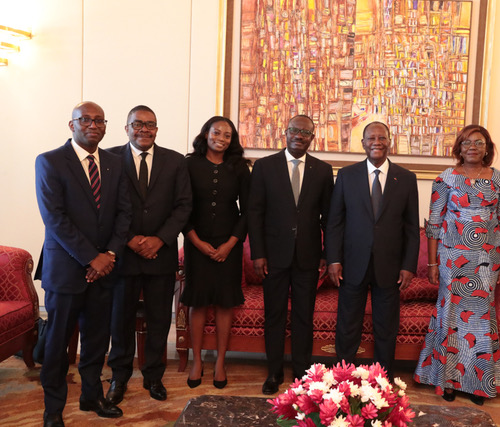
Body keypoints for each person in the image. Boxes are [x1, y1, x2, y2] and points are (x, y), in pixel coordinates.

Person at [35, 102, 131, 427]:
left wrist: (110, 255)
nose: (93, 125)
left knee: (96, 340)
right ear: (72, 124)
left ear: (106, 126)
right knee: (57, 344)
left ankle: (92, 396)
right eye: (85, 119)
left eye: (99, 120)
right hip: (65, 270)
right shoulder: (50, 161)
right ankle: (53, 409)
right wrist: (93, 257)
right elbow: (55, 218)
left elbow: (124, 214)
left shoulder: (115, 163)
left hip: (105, 271)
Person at [413, 125, 500, 406]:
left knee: (480, 320)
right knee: (451, 318)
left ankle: (478, 384)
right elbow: (434, 224)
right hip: (452, 260)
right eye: (467, 142)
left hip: (487, 262)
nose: (472, 147)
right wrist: (432, 263)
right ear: (458, 147)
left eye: (479, 142)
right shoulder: (446, 178)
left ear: (487, 148)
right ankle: (448, 381)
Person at [105, 105, 192, 404]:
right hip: (123, 255)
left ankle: (154, 376)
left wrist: (160, 239)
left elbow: (183, 205)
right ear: (126, 128)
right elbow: (105, 205)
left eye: (150, 124)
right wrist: (129, 239)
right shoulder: (109, 158)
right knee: (120, 320)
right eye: (137, 124)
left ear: (157, 128)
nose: (144, 129)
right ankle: (119, 376)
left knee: (159, 320)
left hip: (160, 255)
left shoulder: (175, 161)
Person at [248, 115, 334, 395]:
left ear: (312, 137)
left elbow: (328, 218)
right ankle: (273, 373)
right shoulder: (264, 167)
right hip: (272, 256)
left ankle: (302, 373)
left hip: (308, 256)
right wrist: (258, 253)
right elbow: (255, 213)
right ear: (285, 133)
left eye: (305, 132)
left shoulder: (323, 170)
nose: (299, 136)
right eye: (294, 130)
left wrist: (326, 253)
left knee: (303, 316)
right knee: (274, 315)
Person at [326, 121, 419, 379]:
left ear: (390, 142)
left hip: (390, 266)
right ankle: (342, 378)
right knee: (347, 325)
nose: (376, 142)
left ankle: (382, 380)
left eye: (382, 137)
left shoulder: (406, 178)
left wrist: (408, 265)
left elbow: (411, 228)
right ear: (363, 143)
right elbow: (335, 222)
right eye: (371, 138)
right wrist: (333, 259)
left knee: (386, 327)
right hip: (352, 264)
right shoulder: (346, 175)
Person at [181, 116, 251, 389]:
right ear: (206, 133)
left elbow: (248, 210)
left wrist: (230, 244)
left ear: (232, 140)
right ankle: (197, 361)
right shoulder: (189, 164)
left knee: (224, 303)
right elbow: (181, 206)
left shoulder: (239, 168)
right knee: (197, 302)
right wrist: (196, 242)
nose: (221, 138)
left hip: (228, 245)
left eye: (227, 135)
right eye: (216, 132)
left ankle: (220, 361)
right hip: (196, 242)